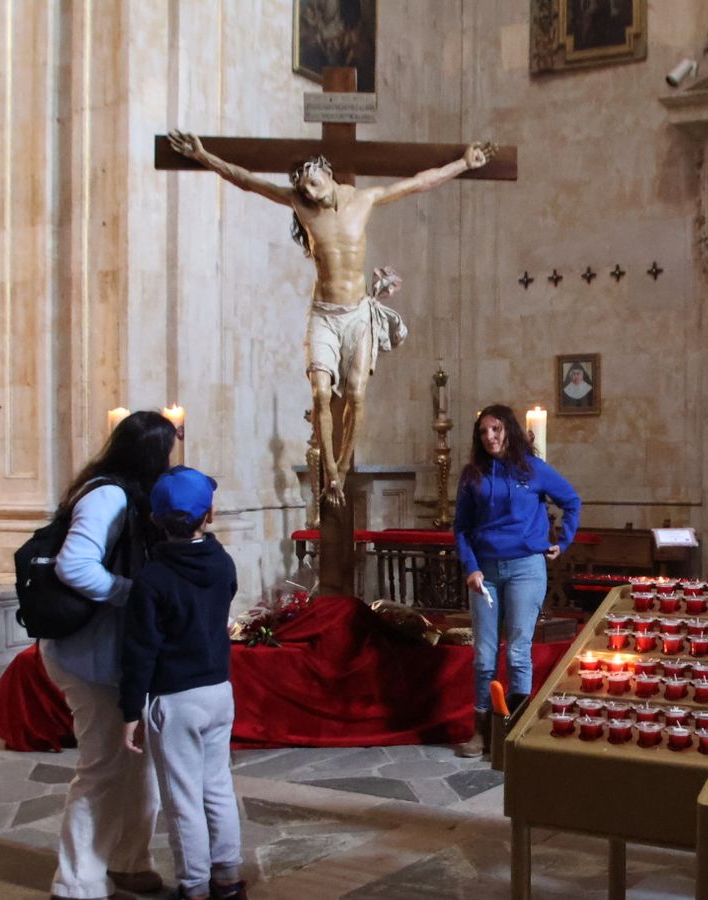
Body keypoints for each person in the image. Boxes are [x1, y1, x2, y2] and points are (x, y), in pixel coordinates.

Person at [167, 130, 495, 510]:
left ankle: (341, 464)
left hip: (357, 313)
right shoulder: (299, 203)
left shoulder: (365, 199)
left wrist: (462, 164)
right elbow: (247, 180)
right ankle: (332, 474)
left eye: (313, 180)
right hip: (324, 313)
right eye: (303, 185)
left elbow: (419, 183)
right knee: (321, 393)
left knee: (355, 394)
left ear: (327, 172)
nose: (308, 189)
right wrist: (205, 156)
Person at [42, 411, 177, 900]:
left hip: (118, 654)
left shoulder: (125, 493)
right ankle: (77, 880)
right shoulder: (107, 494)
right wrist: (130, 592)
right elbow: (73, 566)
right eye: (165, 452)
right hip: (88, 652)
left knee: (139, 763)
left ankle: (127, 860)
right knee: (100, 767)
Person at [119, 466, 244, 900]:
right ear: (207, 515)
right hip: (218, 691)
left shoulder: (152, 578)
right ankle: (228, 879)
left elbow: (140, 650)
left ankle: (194, 888)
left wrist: (130, 710)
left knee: (182, 800)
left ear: (155, 519)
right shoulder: (222, 561)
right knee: (218, 788)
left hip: (175, 699)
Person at [453, 404, 582, 757]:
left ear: (508, 430)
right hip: (485, 574)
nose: (490, 437)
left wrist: (562, 541)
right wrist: (471, 567)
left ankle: (513, 735)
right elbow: (461, 528)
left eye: (495, 429)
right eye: (483, 432)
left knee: (519, 654)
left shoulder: (533, 470)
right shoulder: (473, 475)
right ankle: (481, 734)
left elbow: (571, 500)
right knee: (483, 656)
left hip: (526, 567)